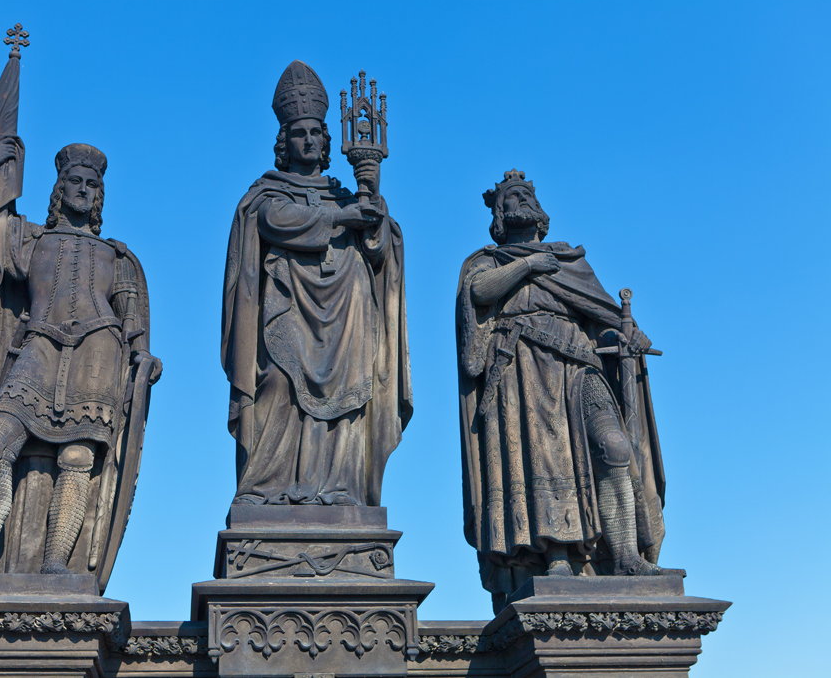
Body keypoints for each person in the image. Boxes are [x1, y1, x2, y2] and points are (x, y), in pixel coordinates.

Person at [0, 142, 162, 577]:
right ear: (59, 187)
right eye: (75, 181)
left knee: (76, 457)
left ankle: (55, 564)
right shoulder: (27, 239)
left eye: (93, 185)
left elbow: (132, 320)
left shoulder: (117, 255)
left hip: (98, 351)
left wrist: (144, 357)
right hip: (39, 346)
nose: (84, 190)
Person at [456, 169, 680, 613]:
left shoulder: (568, 260)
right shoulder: (488, 261)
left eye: (523, 195)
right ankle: (556, 555)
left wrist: (628, 337)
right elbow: (478, 293)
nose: (517, 202)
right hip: (523, 371)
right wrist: (526, 266)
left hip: (580, 367)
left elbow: (602, 315)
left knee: (614, 447)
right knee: (543, 462)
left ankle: (626, 555)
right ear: (499, 216)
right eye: (509, 199)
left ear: (539, 212)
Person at [221, 60, 412, 507]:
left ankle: (340, 488)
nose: (309, 140)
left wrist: (373, 200)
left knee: (349, 400)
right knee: (277, 386)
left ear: (327, 141)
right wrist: (338, 218)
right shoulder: (268, 192)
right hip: (288, 304)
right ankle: (266, 487)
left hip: (348, 309)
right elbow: (273, 220)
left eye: (316, 133)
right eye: (299, 133)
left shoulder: (347, 195)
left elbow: (381, 251)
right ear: (284, 142)